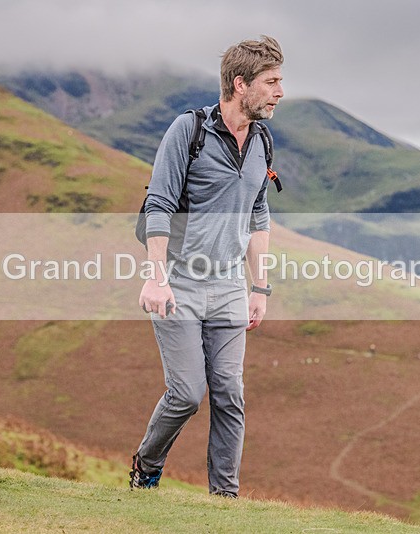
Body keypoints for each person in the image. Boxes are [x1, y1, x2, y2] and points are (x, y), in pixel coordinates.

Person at [131, 35, 284, 498]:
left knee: (230, 395)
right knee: (186, 394)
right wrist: (156, 278)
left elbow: (259, 215)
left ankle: (224, 499)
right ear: (241, 84)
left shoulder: (262, 141)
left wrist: (260, 289)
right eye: (271, 82)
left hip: (229, 287)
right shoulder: (189, 131)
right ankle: (147, 463)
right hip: (179, 281)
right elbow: (157, 203)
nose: (280, 92)